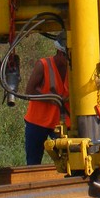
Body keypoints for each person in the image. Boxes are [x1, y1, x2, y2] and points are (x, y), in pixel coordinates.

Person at [23, 35, 70, 166]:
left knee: (70, 160)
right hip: (37, 122)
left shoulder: (74, 68)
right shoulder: (43, 65)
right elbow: (29, 91)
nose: (70, 60)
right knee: (33, 162)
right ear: (60, 53)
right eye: (68, 56)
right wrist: (50, 98)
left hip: (62, 124)